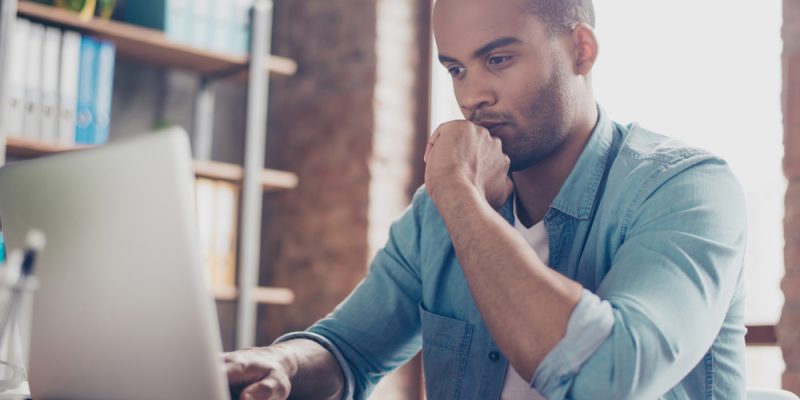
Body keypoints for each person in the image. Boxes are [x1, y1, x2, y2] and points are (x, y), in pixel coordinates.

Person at [223, 0, 748, 398]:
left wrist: (458, 197)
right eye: (455, 69)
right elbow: (348, 350)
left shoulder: (686, 188)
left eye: (498, 59)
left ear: (581, 51)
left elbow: (605, 377)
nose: (472, 95)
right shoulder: (440, 212)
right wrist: (284, 362)